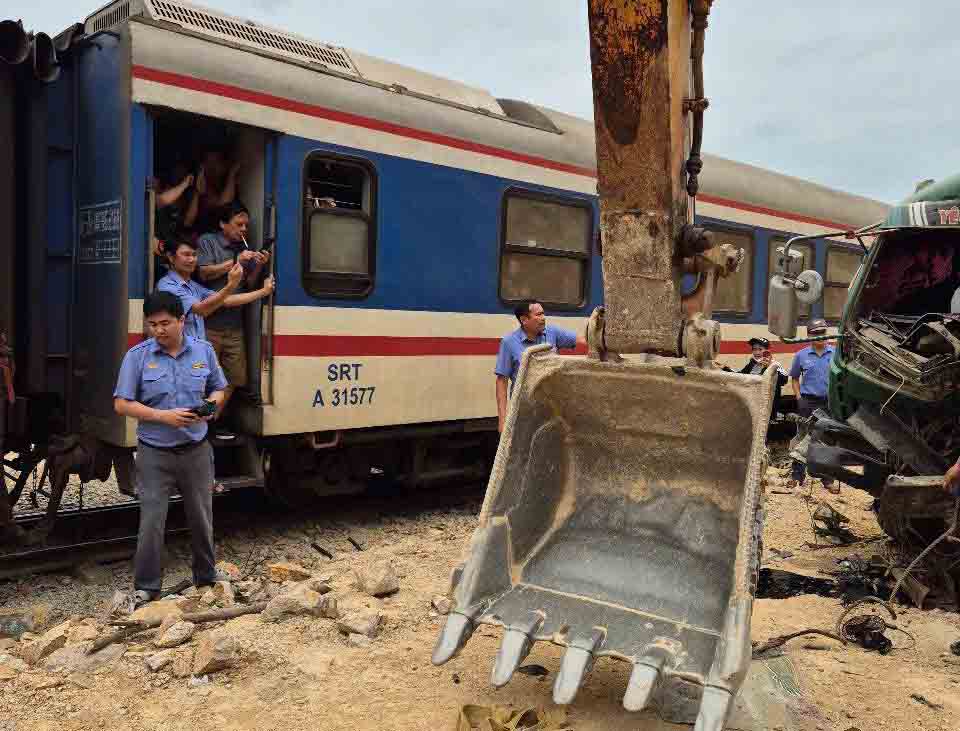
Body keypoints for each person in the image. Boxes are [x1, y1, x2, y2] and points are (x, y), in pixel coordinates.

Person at [113, 291, 228, 604]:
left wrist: (212, 405)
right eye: (152, 324)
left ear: (182, 320)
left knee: (202, 518)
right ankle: (147, 587)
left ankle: (206, 579)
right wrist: (161, 416)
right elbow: (121, 404)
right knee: (152, 521)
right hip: (154, 452)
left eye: (165, 323)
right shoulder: (137, 357)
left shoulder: (203, 351)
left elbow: (220, 387)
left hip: (196, 450)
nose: (158, 330)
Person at [196, 202, 271, 421]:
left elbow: (248, 283)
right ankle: (199, 423)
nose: (244, 230)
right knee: (204, 379)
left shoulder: (243, 248)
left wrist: (257, 265)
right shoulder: (208, 242)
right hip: (208, 326)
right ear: (223, 224)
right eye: (239, 224)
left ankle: (210, 420)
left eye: (246, 226)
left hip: (234, 326)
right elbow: (204, 273)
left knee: (234, 379)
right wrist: (235, 261)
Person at [156, 237, 274, 342]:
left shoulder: (192, 285)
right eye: (186, 255)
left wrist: (263, 291)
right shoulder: (167, 285)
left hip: (196, 353)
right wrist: (232, 285)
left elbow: (226, 300)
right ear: (171, 257)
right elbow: (201, 309)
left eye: (194, 255)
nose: (192, 260)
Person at [494, 301, 586, 433]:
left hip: (552, 412)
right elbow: (501, 382)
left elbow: (582, 340)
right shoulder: (509, 342)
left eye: (543, 313)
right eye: (538, 315)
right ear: (524, 320)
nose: (543, 318)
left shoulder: (552, 333)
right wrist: (502, 420)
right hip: (524, 412)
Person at [788, 319, 837, 493]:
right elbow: (794, 378)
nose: (820, 337)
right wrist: (799, 397)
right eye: (815, 334)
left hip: (829, 403)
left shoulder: (836, 353)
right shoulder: (801, 355)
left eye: (823, 333)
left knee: (826, 440)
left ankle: (827, 479)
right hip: (808, 402)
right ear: (809, 336)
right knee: (802, 437)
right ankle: (796, 476)